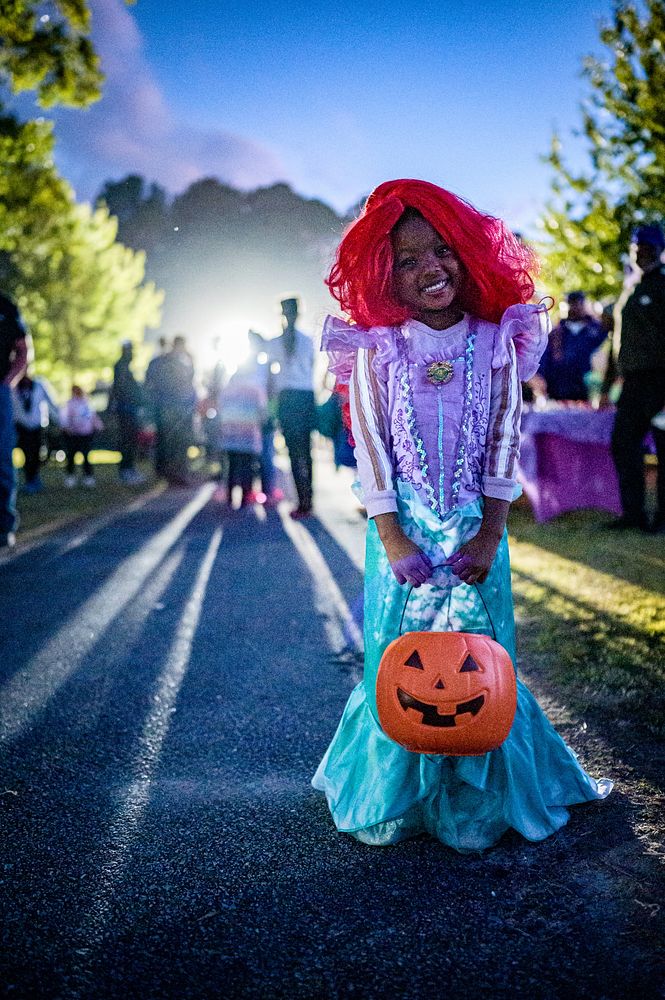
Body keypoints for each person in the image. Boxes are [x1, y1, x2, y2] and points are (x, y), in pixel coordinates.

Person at [312, 179, 611, 852]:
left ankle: (481, 797)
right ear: (387, 272)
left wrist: (489, 532)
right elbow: (372, 449)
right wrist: (392, 538)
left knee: (480, 661)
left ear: (468, 257)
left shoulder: (495, 340)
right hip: (403, 535)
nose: (430, 269)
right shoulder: (375, 348)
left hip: (477, 532)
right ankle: (398, 793)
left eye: (441, 252)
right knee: (401, 659)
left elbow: (505, 436)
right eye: (410, 258)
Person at [605, 224, 665, 532]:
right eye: (636, 247)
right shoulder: (630, 287)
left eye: (647, 248)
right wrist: (607, 385)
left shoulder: (662, 286)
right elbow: (617, 340)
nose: (641, 253)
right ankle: (633, 514)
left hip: (659, 383)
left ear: (659, 249)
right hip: (631, 385)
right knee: (623, 444)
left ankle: (662, 520)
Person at [270, 297, 316, 519]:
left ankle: (301, 500)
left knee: (293, 451)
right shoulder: (308, 341)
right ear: (299, 314)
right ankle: (309, 500)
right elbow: (312, 368)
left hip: (287, 398)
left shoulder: (275, 342)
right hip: (306, 396)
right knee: (306, 451)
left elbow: (270, 373)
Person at [217, 344, 267, 507]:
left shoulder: (227, 388)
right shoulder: (255, 389)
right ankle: (245, 498)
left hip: (230, 434)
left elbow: (221, 407)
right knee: (247, 467)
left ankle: (230, 497)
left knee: (231, 466)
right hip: (248, 435)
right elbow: (262, 411)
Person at [0, 286, 30, 547]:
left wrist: (8, 382)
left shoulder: (6, 308)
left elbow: (23, 349)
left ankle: (3, 526)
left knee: (2, 459)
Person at [145, 334, 196, 486]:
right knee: (177, 443)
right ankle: (177, 475)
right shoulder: (177, 362)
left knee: (166, 442)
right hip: (175, 407)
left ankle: (165, 473)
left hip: (165, 407)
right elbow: (187, 380)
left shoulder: (159, 361)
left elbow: (149, 382)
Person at [537, 291, 607, 401]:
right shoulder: (556, 333)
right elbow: (544, 359)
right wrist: (541, 380)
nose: (574, 308)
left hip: (588, 392)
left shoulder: (596, 331)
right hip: (558, 391)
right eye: (571, 304)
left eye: (578, 304)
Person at [13, 372, 59, 493]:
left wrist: (60, 420)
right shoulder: (14, 386)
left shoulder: (39, 385)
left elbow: (51, 403)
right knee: (27, 453)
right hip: (21, 426)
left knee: (37, 453)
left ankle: (34, 478)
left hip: (37, 426)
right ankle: (30, 480)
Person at [109, 341, 145, 484]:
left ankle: (129, 468)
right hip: (126, 410)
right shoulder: (121, 367)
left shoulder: (124, 367)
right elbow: (122, 389)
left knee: (130, 440)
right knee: (127, 440)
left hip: (129, 409)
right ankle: (126, 470)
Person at [60, 385, 103, 487]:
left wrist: (98, 425)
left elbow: (92, 416)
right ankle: (70, 477)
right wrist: (66, 427)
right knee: (71, 456)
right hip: (73, 434)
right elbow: (64, 417)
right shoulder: (69, 403)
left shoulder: (86, 403)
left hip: (86, 434)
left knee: (86, 456)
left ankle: (88, 477)